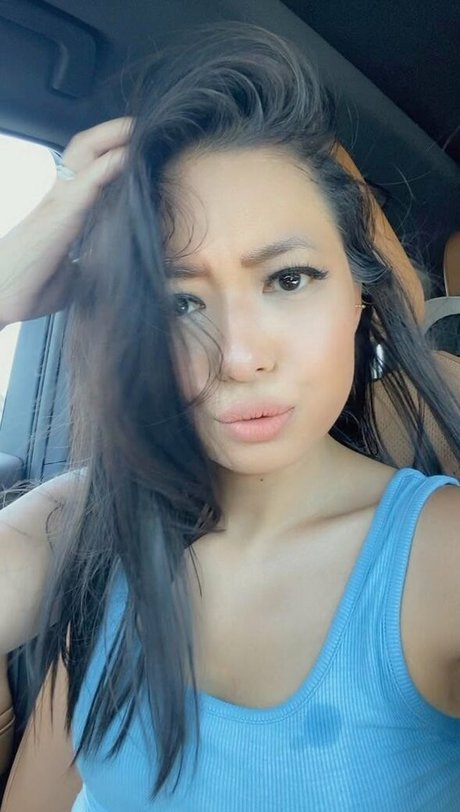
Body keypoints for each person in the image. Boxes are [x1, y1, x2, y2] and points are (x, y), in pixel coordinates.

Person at [0, 20, 459, 812]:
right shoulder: (89, 527)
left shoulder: (439, 561)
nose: (239, 357)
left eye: (289, 278)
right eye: (178, 301)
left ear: (360, 293)